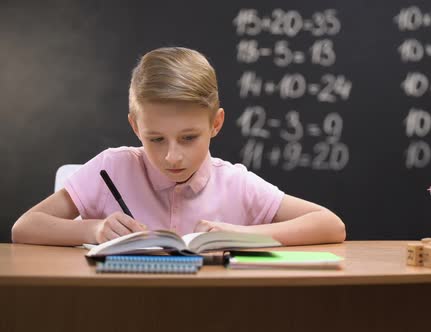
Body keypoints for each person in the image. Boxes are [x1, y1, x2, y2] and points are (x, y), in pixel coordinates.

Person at [12, 47, 346, 246]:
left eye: (189, 138)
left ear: (215, 124)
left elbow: (331, 224)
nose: (172, 156)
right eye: (155, 139)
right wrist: (95, 228)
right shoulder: (109, 168)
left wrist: (240, 235)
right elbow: (24, 227)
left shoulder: (235, 183)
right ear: (135, 126)